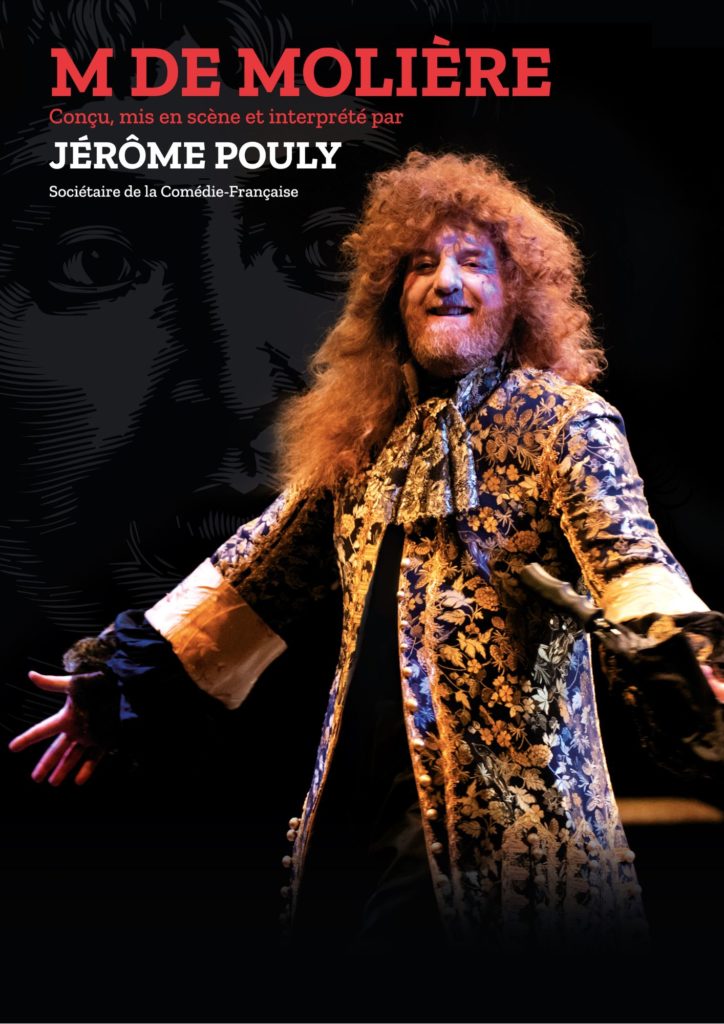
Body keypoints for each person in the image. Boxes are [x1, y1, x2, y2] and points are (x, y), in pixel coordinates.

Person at [9, 150, 722, 955]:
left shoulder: (564, 422)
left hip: (512, 846)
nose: (446, 281)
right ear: (393, 296)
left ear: (516, 294)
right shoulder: (365, 444)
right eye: (422, 264)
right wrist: (121, 683)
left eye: (473, 262)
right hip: (359, 826)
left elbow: (629, 558)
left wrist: (685, 652)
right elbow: (250, 577)